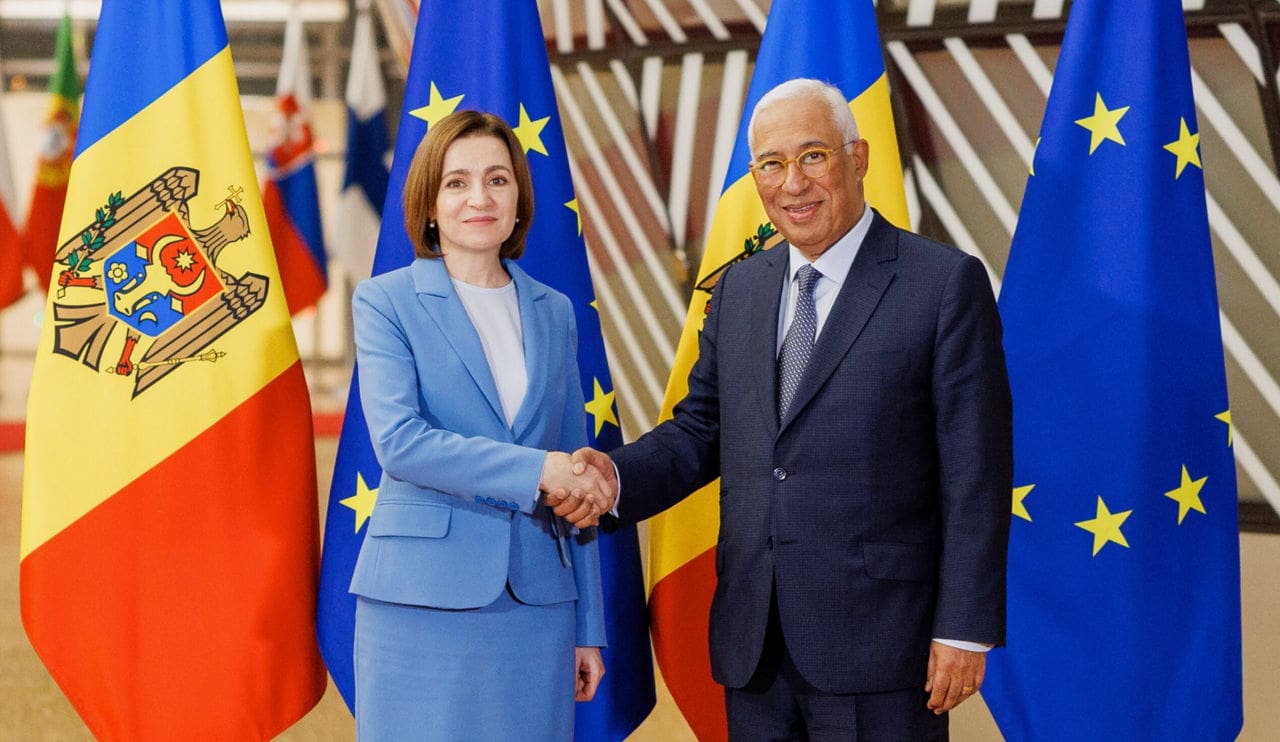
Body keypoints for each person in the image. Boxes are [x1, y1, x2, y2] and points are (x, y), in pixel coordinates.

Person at [557, 78, 1012, 740]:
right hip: (756, 647)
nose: (793, 183)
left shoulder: (942, 285)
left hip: (884, 646)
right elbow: (701, 429)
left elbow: (976, 473)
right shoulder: (739, 288)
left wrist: (964, 628)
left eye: (813, 156)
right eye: (771, 164)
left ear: (858, 158)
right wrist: (614, 476)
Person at [349, 109, 616, 740]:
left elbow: (575, 471)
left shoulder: (555, 311)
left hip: (539, 605)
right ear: (429, 204)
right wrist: (538, 469)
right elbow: (401, 443)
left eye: (497, 179)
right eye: (457, 182)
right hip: (419, 601)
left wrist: (588, 626)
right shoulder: (385, 301)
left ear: (519, 197)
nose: (480, 198)